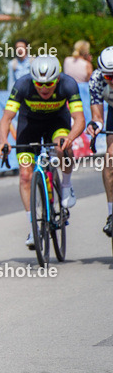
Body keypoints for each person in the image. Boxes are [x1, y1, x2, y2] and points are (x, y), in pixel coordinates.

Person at [0, 56, 85, 249]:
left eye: (49, 84)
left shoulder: (68, 84)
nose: (44, 88)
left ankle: (66, 185)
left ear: (58, 79)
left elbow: (79, 119)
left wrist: (70, 138)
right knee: (25, 176)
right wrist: (3, 141)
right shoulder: (22, 84)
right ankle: (33, 229)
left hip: (57, 123)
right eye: (39, 84)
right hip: (29, 126)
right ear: (32, 80)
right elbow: (6, 118)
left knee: (62, 147)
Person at [85, 46, 113, 236]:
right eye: (108, 77)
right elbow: (98, 116)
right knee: (110, 159)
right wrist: (95, 125)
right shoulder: (96, 79)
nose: (112, 81)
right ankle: (111, 215)